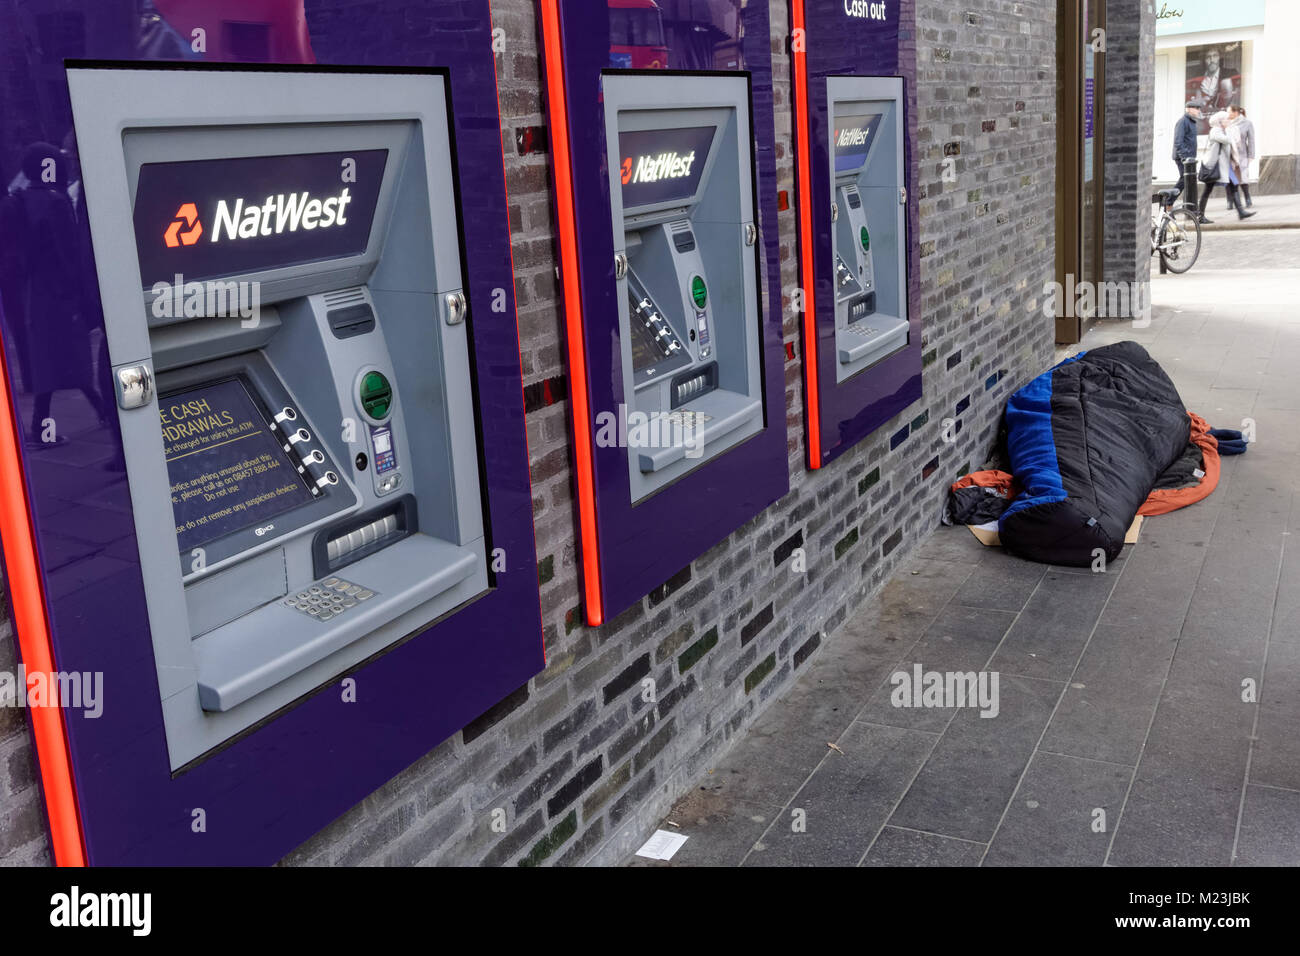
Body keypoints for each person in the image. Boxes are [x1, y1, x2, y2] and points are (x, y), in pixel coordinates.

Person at [1198, 111, 1255, 222]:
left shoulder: (1223, 130)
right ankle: (1200, 216)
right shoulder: (1215, 131)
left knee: (1234, 185)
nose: (1229, 121)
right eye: (1226, 119)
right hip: (1214, 167)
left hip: (1224, 166)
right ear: (1220, 121)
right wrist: (1230, 130)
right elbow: (1229, 140)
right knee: (1207, 190)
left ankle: (1241, 212)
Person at [1172, 101, 1201, 207]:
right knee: (1185, 180)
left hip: (1190, 159)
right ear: (1188, 109)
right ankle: (1168, 202)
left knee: (1188, 182)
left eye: (1199, 108)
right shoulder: (1183, 122)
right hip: (1183, 158)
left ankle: (1188, 206)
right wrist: (1185, 158)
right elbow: (1178, 142)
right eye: (1196, 108)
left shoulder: (1192, 122)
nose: (1199, 110)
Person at [1229, 105, 1255, 209]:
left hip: (1242, 154)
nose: (1228, 114)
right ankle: (1230, 201)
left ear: (1235, 113)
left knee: (1243, 177)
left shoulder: (1247, 123)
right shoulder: (1227, 123)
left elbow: (1251, 140)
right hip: (1229, 155)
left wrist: (1251, 155)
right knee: (1230, 178)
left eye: (1229, 112)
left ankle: (1247, 198)